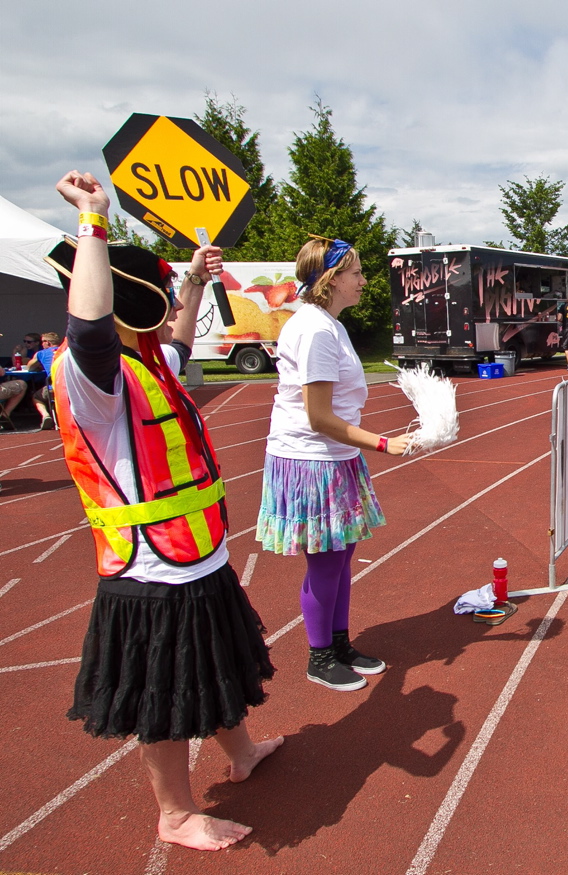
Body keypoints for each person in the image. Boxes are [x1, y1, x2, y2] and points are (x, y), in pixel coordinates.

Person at [48, 170, 280, 852]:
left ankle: (241, 751)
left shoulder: (146, 363)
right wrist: (94, 220)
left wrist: (196, 284)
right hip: (149, 572)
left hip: (196, 555)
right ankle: (175, 812)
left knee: (218, 664)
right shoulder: (89, 376)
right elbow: (89, 329)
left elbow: (176, 338)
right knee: (168, 690)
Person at [257, 236, 413, 692]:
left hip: (334, 457)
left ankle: (339, 644)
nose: (364, 281)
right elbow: (319, 417)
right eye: (356, 273)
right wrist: (384, 443)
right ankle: (319, 656)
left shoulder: (330, 324)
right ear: (330, 280)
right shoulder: (314, 329)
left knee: (342, 558)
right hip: (311, 461)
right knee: (325, 563)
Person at [27, 331, 61, 429]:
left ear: (47, 342)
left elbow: (30, 367)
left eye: (43, 342)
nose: (42, 344)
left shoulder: (41, 353)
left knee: (36, 397)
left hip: (53, 388)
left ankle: (45, 415)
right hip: (71, 387)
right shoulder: (67, 350)